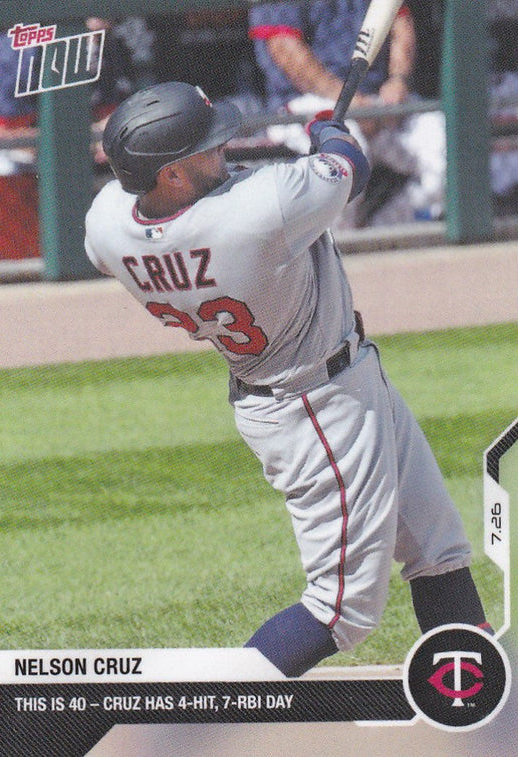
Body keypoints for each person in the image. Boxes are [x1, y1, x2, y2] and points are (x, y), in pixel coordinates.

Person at [84, 82, 492, 678]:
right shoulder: (256, 212)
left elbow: (214, 202)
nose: (221, 149)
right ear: (170, 175)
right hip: (317, 406)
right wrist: (327, 130)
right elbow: (348, 163)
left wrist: (311, 147)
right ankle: (203, 717)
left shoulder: (107, 226)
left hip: (311, 385)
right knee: (341, 611)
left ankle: (474, 698)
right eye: (206, 147)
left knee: (437, 548)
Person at [248, 1, 446, 225]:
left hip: (377, 102)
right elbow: (284, 49)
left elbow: (399, 21)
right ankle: (342, 245)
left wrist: (398, 81)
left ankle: (382, 233)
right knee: (344, 155)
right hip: (304, 104)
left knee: (448, 147)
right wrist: (348, 100)